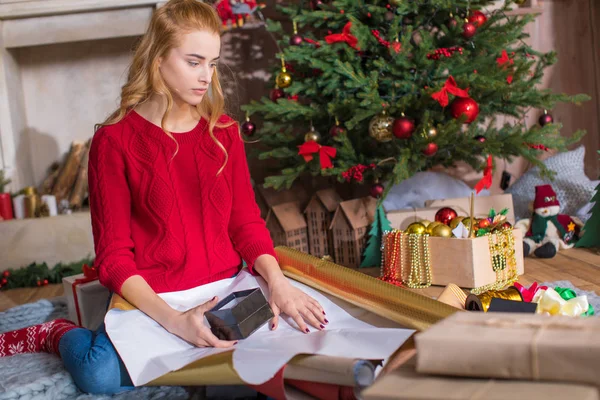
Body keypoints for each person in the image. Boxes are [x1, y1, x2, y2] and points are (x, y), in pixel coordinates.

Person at [0, 0, 327, 394]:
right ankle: (56, 332)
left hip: (226, 288)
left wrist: (275, 280)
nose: (206, 76)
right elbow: (113, 258)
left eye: (213, 63)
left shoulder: (223, 132)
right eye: (194, 61)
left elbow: (245, 222)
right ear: (157, 58)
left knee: (292, 349)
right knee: (97, 375)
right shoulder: (114, 141)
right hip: (154, 298)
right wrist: (174, 320)